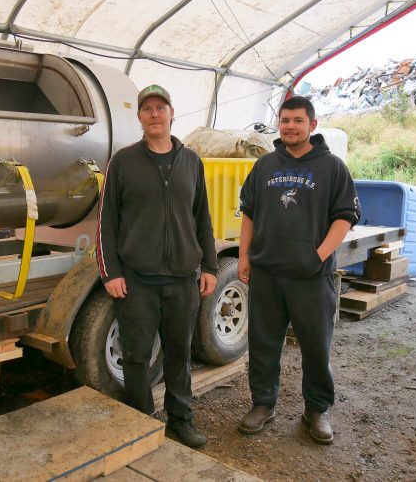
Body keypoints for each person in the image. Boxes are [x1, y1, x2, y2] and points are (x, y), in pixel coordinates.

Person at [96, 84, 218, 448]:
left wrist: (210, 266)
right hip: (137, 281)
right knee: (136, 355)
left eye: (160, 108)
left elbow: (203, 220)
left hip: (183, 279)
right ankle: (140, 420)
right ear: (139, 117)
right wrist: (111, 273)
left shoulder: (191, 161)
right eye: (147, 109)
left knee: (179, 354)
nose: (154, 114)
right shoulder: (123, 161)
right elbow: (107, 222)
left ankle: (181, 420)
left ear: (171, 113)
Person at [236, 95, 361, 444]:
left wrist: (317, 256)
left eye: (298, 121)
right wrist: (244, 256)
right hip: (267, 274)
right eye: (285, 120)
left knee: (316, 346)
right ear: (279, 123)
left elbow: (345, 217)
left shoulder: (332, 167)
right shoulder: (265, 165)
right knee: (263, 343)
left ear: (312, 125)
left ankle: (316, 410)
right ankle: (263, 404)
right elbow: (249, 212)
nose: (291, 126)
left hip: (311, 277)